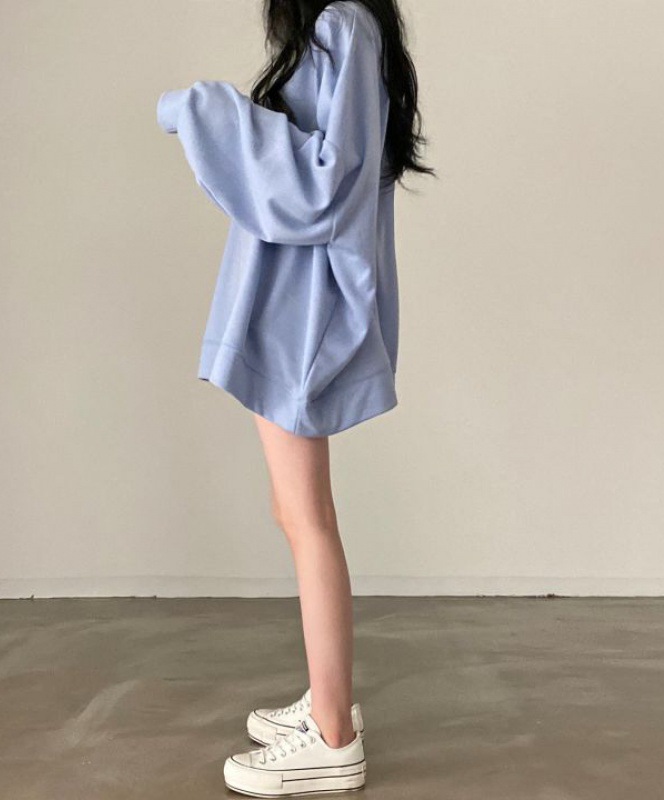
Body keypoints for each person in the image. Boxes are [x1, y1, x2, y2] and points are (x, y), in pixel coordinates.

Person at [157, 1, 434, 795]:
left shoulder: (342, 22)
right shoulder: (339, 25)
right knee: (296, 512)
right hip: (292, 299)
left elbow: (325, 180)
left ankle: (334, 735)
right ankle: (327, 696)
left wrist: (204, 110)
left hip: (300, 309)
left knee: (307, 518)